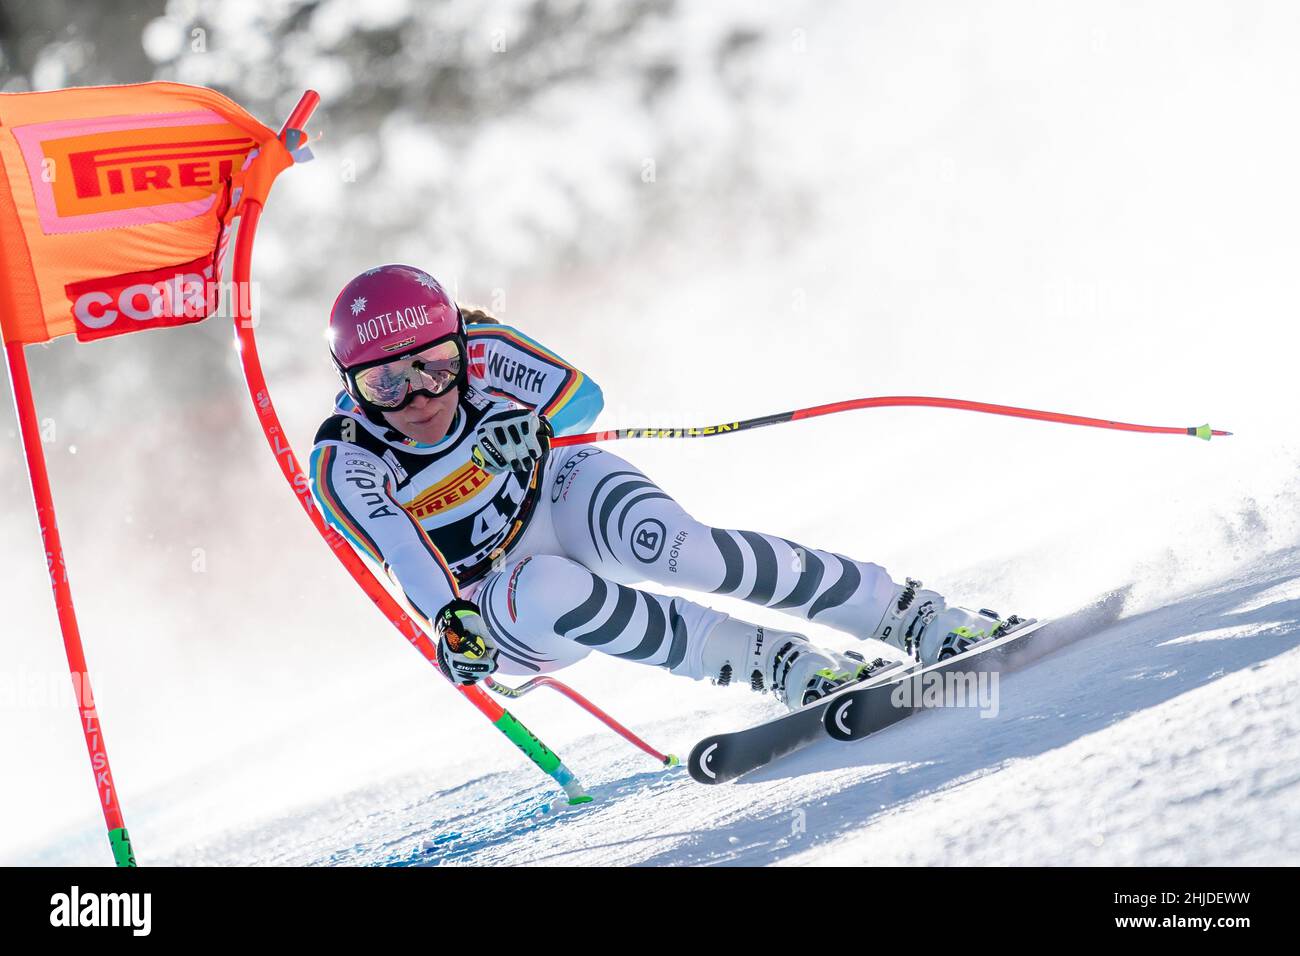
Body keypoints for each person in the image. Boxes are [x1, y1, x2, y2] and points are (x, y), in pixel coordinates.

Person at [310, 264, 1011, 710]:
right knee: (553, 585)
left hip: (553, 498)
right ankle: (769, 661)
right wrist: (448, 621)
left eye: (434, 364)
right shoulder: (347, 458)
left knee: (679, 548)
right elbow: (400, 548)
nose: (419, 396)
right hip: (495, 601)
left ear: (459, 344)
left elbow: (582, 398)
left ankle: (904, 613)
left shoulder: (488, 353)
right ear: (350, 386)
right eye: (385, 383)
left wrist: (536, 430)